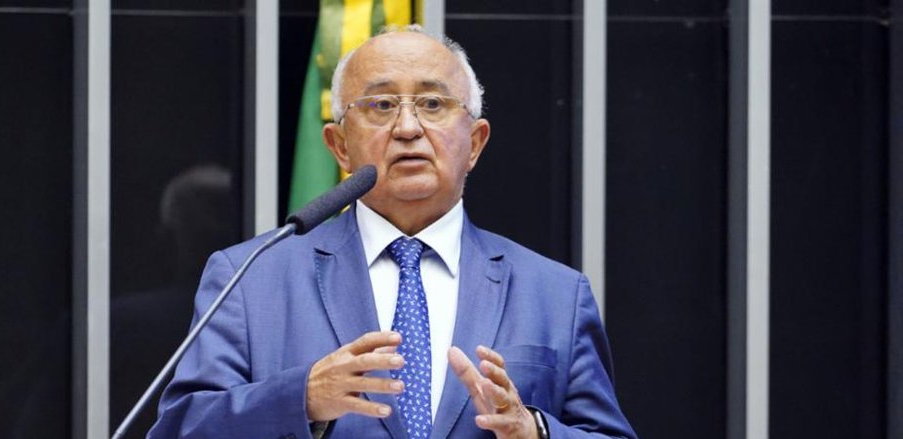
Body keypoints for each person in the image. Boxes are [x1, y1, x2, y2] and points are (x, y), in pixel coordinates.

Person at [149, 26, 636, 439]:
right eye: (381, 105)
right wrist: (301, 399)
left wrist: (536, 430)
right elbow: (178, 429)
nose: (407, 127)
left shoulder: (556, 294)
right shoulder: (250, 278)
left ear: (475, 143)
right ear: (339, 146)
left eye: (432, 103)